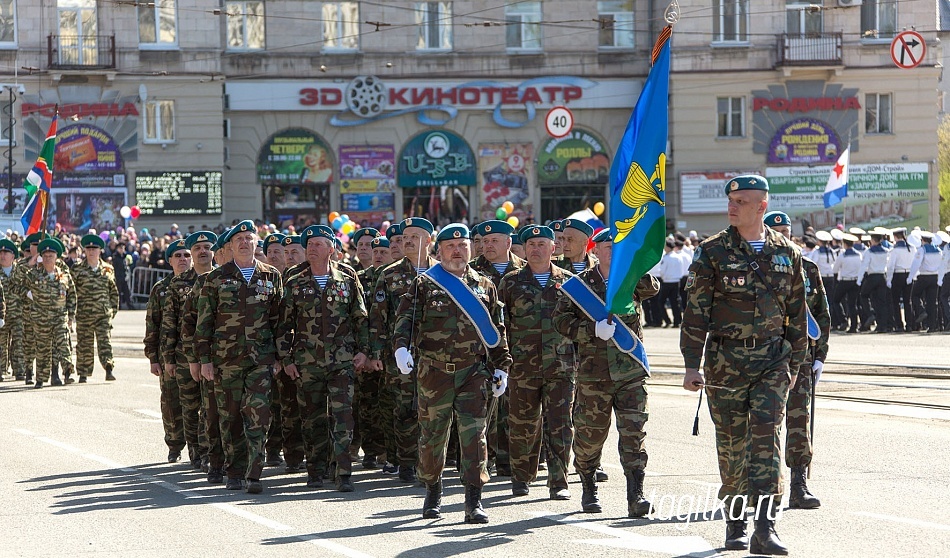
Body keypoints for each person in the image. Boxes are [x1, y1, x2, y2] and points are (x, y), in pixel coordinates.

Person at [681, 175, 807, 555]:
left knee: (767, 438)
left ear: (762, 207)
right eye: (731, 199)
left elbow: (797, 314)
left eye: (742, 200)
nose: (732, 206)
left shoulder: (787, 253)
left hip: (772, 360)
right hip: (725, 362)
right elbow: (695, 312)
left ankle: (765, 528)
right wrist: (691, 364)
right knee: (733, 444)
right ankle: (735, 522)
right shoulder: (711, 252)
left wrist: (796, 363)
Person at [392, 223, 511, 523]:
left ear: (471, 248)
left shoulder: (484, 285)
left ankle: (474, 500)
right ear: (439, 250)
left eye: (462, 246)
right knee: (433, 437)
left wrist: (503, 367)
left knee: (474, 437)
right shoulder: (425, 284)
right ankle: (433, 491)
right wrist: (401, 348)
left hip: (474, 372)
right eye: (450, 246)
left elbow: (497, 331)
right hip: (435, 373)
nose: (457, 251)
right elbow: (405, 319)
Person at [553, 229, 653, 518]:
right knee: (590, 437)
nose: (612, 251)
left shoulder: (633, 280)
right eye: (607, 247)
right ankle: (588, 487)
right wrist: (589, 331)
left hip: (630, 372)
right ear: (595, 250)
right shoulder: (578, 286)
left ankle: (636, 495)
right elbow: (560, 322)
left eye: (617, 246)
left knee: (634, 434)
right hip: (594, 375)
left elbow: (654, 287)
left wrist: (633, 261)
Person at [276, 225, 370, 491]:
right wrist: (287, 358)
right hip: (308, 362)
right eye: (309, 245)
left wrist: (363, 351)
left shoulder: (347, 279)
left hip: (342, 362)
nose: (312, 249)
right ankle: (315, 470)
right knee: (312, 418)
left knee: (343, 417)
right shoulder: (295, 283)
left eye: (318, 244)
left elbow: (360, 318)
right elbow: (284, 325)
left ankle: (343, 473)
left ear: (331, 249)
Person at [195, 220, 284, 494]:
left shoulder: (271, 276)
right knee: (230, 417)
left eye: (249, 238)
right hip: (226, 360)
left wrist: (281, 356)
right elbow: (204, 323)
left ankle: (254, 473)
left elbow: (279, 321)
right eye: (239, 239)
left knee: (259, 415)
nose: (245, 242)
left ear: (257, 243)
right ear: (231, 246)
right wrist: (205, 360)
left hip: (261, 360)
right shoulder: (216, 278)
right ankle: (234, 471)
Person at [498, 225, 574, 500]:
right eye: (531, 244)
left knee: (560, 425)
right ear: (524, 249)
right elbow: (500, 324)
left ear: (554, 249)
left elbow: (579, 323)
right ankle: (522, 477)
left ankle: (559, 481)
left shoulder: (569, 282)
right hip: (523, 366)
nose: (536, 249)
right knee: (522, 424)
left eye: (542, 244)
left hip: (561, 367)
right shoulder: (510, 282)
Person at [765, 211, 829, 510]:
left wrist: (820, 357)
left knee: (799, 420)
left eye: (786, 231)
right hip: (763, 357)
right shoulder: (758, 268)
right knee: (763, 423)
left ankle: (798, 484)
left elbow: (822, 314)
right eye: (776, 230)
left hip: (800, 356)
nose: (782, 235)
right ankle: (763, 485)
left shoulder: (808, 268)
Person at [369, 218, 435, 483]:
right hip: (399, 354)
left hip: (436, 354)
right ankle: (406, 462)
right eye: (404, 237)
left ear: (428, 241)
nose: (407, 241)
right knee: (404, 408)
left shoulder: (442, 273)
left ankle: (430, 461)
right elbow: (377, 318)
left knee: (433, 409)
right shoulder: (389, 274)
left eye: (414, 237)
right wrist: (376, 353)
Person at [470, 219, 526, 478]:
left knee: (516, 407)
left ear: (508, 243)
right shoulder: (471, 273)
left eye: (494, 240)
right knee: (484, 408)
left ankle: (511, 459)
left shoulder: (525, 270)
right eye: (485, 240)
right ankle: (484, 459)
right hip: (484, 352)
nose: (488, 245)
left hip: (523, 352)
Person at [161, 233, 216, 471]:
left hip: (216, 356)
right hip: (185, 358)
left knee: (211, 407)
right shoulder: (178, 283)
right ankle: (195, 452)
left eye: (207, 247)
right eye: (198, 248)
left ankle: (208, 453)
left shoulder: (223, 278)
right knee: (190, 407)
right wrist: (168, 360)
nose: (202, 251)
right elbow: (170, 324)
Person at [28, 238, 76, 389]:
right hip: (40, 318)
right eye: (46, 255)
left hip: (59, 317)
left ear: (57, 257)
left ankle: (68, 370)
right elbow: (17, 282)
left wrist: (71, 317)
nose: (48, 258)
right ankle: (41, 379)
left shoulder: (64, 275)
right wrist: (31, 262)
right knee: (42, 350)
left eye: (51, 255)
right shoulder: (34, 274)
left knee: (63, 342)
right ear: (42, 257)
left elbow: (72, 296)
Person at [72, 234, 119, 383]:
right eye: (89, 249)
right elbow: (72, 292)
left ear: (100, 251)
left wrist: (112, 311)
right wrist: (72, 312)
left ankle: (109, 368)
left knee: (105, 341)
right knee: (84, 344)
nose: (91, 251)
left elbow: (113, 292)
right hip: (84, 314)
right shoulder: (77, 269)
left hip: (103, 314)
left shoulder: (108, 269)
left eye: (95, 249)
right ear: (85, 251)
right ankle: (83, 373)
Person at [908, 231, 942, 332]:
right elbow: (941, 264)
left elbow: (916, 264)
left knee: (914, 295)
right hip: (934, 277)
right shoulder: (938, 250)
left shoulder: (922, 250)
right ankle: (932, 326)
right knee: (932, 302)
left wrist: (910, 276)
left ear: (922, 240)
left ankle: (921, 310)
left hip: (924, 276)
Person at [857, 230, 891, 333]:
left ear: (872, 240)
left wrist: (859, 279)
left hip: (872, 277)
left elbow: (864, 266)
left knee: (863, 295)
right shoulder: (886, 250)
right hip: (882, 277)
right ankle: (882, 326)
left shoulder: (869, 251)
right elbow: (888, 265)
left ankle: (871, 314)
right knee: (881, 302)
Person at [886, 227, 916, 332]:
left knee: (896, 302)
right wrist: (913, 276)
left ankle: (899, 325)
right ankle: (909, 325)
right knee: (908, 301)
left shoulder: (895, 250)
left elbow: (890, 267)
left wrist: (888, 280)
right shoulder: (912, 248)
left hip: (898, 276)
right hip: (909, 275)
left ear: (895, 236)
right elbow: (914, 264)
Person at [0, 239, 22, 382]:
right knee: (1, 343)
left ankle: (19, 370)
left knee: (19, 342)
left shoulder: (20, 272)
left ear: (13, 256)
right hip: (2, 315)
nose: (2, 255)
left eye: (6, 253)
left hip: (18, 314)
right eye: (1, 253)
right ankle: (1, 369)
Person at [831, 234, 862, 333]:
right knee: (852, 304)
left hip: (845, 281)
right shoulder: (858, 255)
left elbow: (835, 269)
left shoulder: (842, 255)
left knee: (836, 300)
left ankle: (843, 320)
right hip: (855, 281)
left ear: (845, 244)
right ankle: (854, 326)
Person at [111, 242, 133, 309]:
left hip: (124, 277)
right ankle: (118, 306)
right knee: (119, 293)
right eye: (120, 248)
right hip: (118, 277)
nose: (122, 249)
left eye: (123, 248)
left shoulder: (124, 256)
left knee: (127, 292)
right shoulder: (115, 257)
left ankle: (129, 305)